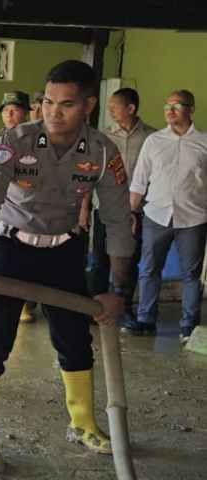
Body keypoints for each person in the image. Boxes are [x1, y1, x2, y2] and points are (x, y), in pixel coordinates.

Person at [0, 60, 135, 473]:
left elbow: (117, 219)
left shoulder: (102, 152)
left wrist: (117, 289)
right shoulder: (13, 142)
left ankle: (83, 424)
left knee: (75, 340)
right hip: (10, 249)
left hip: (64, 252)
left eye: (66, 104)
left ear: (89, 106)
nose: (53, 112)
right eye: (47, 102)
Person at [125, 89, 207, 343]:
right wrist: (130, 212)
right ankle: (145, 319)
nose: (169, 111)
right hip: (156, 215)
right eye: (166, 106)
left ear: (191, 109)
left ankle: (188, 326)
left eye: (177, 105)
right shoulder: (154, 141)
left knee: (191, 275)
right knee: (149, 269)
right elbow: (139, 180)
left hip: (193, 218)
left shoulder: (204, 142)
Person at [90, 88, 156, 321]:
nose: (110, 111)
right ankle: (95, 309)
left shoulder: (151, 138)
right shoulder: (103, 137)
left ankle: (124, 307)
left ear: (131, 108)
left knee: (130, 260)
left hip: (137, 211)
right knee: (100, 259)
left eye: (114, 107)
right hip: (105, 207)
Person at [0, 91, 38, 323]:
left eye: (15, 110)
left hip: (30, 211)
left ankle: (27, 304)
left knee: (29, 262)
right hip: (1, 209)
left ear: (26, 113)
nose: (9, 115)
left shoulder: (37, 141)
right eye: (6, 111)